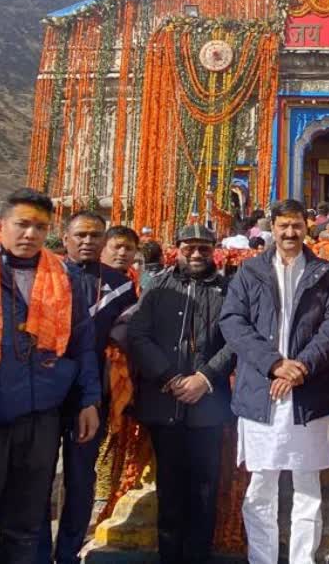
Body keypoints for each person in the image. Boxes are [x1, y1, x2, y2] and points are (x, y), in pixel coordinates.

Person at [0, 189, 101, 563]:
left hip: (41, 419)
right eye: (22, 224)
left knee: (25, 528)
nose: (30, 234)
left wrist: (88, 399)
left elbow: (82, 343)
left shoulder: (64, 277)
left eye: (39, 226)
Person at [219, 199, 329, 564]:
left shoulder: (325, 272)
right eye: (283, 226)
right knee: (261, 487)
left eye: (296, 225)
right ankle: (262, 559)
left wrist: (300, 367)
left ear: (306, 226)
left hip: (308, 394)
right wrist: (275, 364)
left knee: (307, 486)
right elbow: (233, 322)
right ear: (271, 229)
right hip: (262, 393)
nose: (290, 233)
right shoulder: (250, 272)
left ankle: (302, 559)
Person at [127, 224, 235, 563]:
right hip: (165, 401)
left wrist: (205, 377)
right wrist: (169, 375)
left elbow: (237, 339)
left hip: (208, 405)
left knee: (205, 491)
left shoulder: (228, 290)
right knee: (170, 491)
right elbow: (138, 336)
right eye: (190, 247)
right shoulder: (157, 286)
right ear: (177, 248)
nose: (197, 254)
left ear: (214, 250)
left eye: (204, 248)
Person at [35, 212, 137, 564]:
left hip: (91, 398)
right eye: (80, 235)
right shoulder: (45, 276)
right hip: (45, 396)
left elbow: (123, 340)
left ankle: (68, 552)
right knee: (40, 476)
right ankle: (36, 552)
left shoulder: (120, 285)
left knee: (80, 478)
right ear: (64, 238)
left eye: (95, 235)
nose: (88, 241)